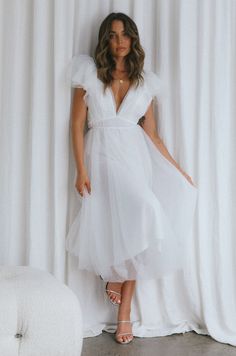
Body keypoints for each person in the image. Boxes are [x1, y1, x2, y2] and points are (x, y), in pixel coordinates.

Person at [65, 12, 198, 344]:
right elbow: (76, 126)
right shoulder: (89, 74)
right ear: (104, 40)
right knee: (135, 217)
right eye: (112, 35)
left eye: (125, 35)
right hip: (103, 155)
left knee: (144, 220)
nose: (119, 41)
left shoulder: (145, 81)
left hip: (136, 157)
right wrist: (80, 169)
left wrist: (179, 171)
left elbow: (152, 135)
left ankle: (124, 312)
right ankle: (114, 274)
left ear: (134, 39)